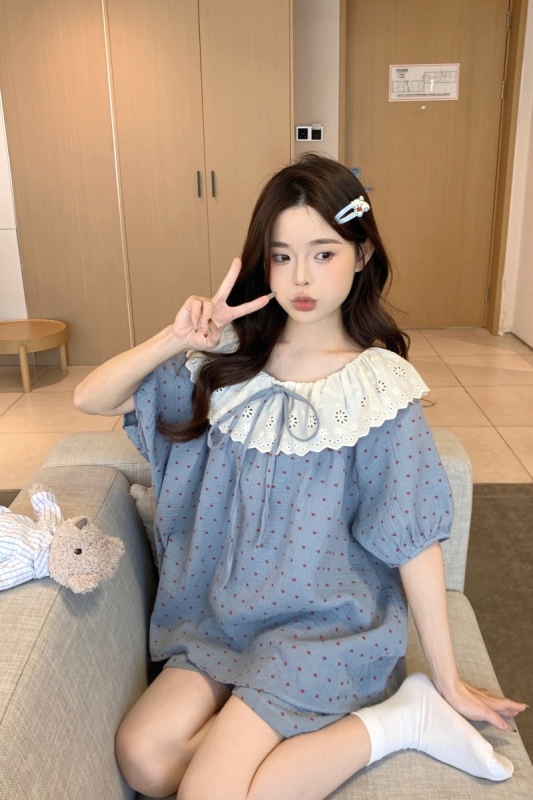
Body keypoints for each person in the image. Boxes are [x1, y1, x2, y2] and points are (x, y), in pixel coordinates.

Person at [74, 154, 526, 800]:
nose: (301, 277)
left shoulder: (378, 388)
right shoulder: (227, 361)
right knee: (143, 758)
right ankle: (326, 726)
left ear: (361, 254)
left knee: (208, 791)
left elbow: (412, 537)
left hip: (322, 628)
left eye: (323, 253)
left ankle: (406, 717)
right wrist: (177, 340)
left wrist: (448, 677)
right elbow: (89, 398)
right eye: (282, 256)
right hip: (220, 621)